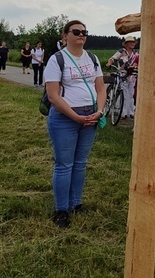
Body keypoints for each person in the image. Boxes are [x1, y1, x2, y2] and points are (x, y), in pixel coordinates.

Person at [44, 20, 105, 228]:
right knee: (64, 165)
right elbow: (53, 96)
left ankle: (75, 203)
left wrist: (99, 111)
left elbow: (101, 88)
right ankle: (61, 210)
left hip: (90, 116)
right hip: (65, 118)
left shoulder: (93, 58)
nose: (81, 35)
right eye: (76, 31)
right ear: (65, 36)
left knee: (80, 164)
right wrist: (74, 116)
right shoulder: (57, 60)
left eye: (84, 32)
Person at [106, 35, 139, 119]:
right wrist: (109, 63)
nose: (132, 44)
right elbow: (112, 58)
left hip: (132, 75)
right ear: (126, 44)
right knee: (123, 94)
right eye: (130, 42)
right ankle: (123, 113)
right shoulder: (121, 51)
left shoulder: (136, 53)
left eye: (133, 42)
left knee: (131, 94)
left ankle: (131, 112)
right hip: (122, 74)